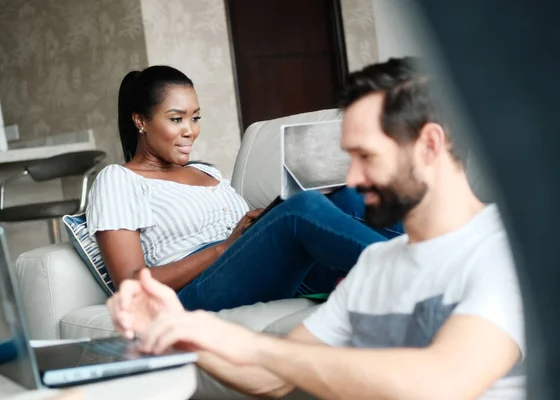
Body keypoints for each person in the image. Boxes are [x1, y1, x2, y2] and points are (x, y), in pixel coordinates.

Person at [106, 57, 525, 399]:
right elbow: (268, 380)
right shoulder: (376, 267)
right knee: (311, 206)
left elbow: (440, 383)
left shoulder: (513, 257)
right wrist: (181, 331)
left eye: (366, 156)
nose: (356, 175)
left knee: (331, 200)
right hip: (208, 275)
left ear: (431, 145)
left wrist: (252, 344)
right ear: (141, 121)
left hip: (249, 256)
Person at [86, 65, 403, 312]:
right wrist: (225, 248)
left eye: (195, 118)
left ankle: (439, 250)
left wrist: (262, 221)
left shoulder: (204, 170)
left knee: (348, 193)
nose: (190, 131)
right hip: (196, 289)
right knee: (302, 208)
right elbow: (131, 283)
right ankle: (416, 272)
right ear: (141, 121)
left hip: (259, 266)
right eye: (176, 119)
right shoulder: (118, 179)